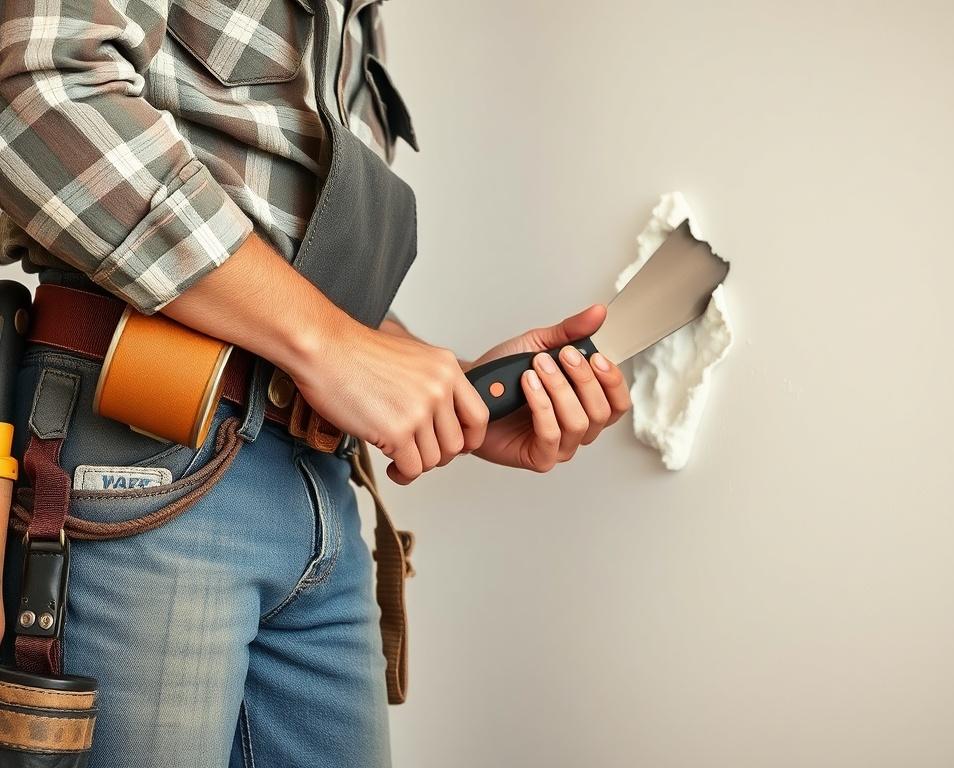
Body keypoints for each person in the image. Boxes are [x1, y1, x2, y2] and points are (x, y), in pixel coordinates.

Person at [0, 1, 631, 766]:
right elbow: (40, 91)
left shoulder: (362, 21)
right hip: (143, 454)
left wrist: (445, 388)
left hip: (320, 489)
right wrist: (334, 349)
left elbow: (280, 262)